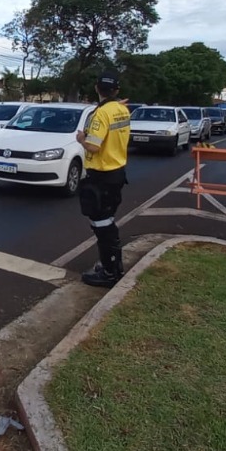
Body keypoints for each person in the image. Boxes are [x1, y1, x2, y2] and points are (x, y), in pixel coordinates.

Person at [75, 70, 132, 288]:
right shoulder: (122, 109)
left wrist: (82, 139)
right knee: (106, 222)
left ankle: (110, 272)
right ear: (116, 90)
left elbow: (93, 146)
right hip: (116, 173)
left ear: (96, 88)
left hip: (101, 175)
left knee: (102, 225)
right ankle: (111, 266)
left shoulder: (101, 114)